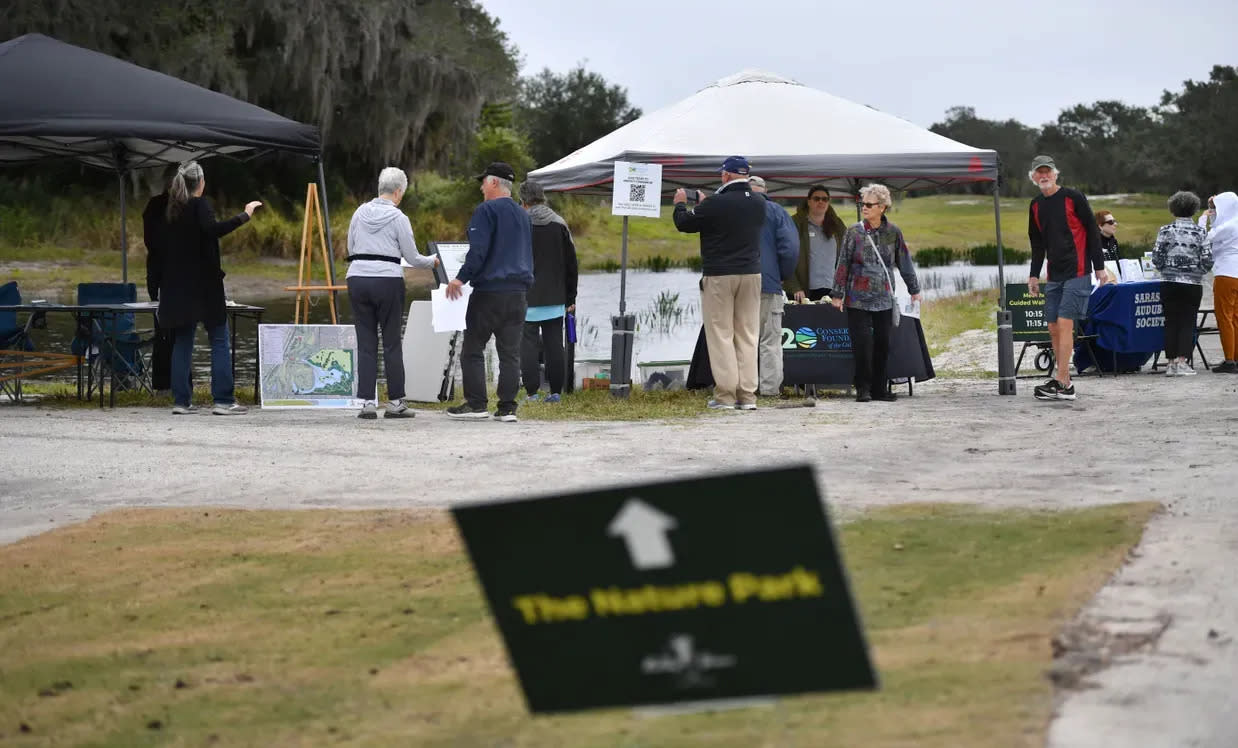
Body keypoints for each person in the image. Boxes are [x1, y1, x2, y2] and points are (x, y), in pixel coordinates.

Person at [158, 160, 261, 415]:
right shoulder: (199, 205)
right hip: (204, 284)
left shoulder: (172, 209)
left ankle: (181, 401)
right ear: (201, 183)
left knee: (183, 341)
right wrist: (244, 215)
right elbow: (213, 230)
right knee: (218, 338)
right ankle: (223, 400)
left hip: (176, 285)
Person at [672, 156, 766, 410]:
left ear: (725, 175)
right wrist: (707, 206)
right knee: (747, 334)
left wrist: (681, 204)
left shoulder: (716, 202)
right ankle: (747, 395)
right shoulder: (759, 202)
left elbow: (685, 224)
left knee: (721, 333)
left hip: (720, 274)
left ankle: (725, 395)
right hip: (751, 273)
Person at [346, 167, 439, 419]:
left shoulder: (359, 212)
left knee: (366, 343)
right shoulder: (399, 218)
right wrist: (433, 261)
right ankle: (396, 402)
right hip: (387, 280)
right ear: (398, 192)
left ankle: (366, 402)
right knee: (391, 343)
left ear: (380, 188)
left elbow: (350, 246)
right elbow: (411, 257)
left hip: (357, 277)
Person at [444, 162, 533, 422]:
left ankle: (476, 404)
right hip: (518, 293)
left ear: (494, 182)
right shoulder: (523, 214)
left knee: (472, 349)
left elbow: (478, 250)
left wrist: (460, 279)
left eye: (483, 181)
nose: (481, 187)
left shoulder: (485, 210)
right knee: (510, 353)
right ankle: (507, 408)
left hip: (490, 292)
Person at [828, 183, 921, 402]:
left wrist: (914, 289)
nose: (864, 208)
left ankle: (880, 388)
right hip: (856, 298)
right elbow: (843, 264)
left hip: (884, 298)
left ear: (882, 207)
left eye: (869, 204)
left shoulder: (893, 232)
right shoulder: (854, 232)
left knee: (883, 344)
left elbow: (904, 262)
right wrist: (837, 293)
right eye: (862, 204)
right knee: (862, 345)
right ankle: (863, 388)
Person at [1025, 155, 1105, 402]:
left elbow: (1092, 231)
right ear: (1033, 177)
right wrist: (1033, 274)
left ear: (1056, 174)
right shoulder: (1036, 205)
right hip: (1054, 274)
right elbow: (1037, 244)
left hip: (1078, 270)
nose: (1044, 175)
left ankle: (1061, 381)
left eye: (1047, 171)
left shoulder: (1073, 198)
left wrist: (1099, 267)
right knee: (1052, 327)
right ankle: (1065, 383)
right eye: (1039, 172)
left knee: (1064, 323)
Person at [517, 180, 578, 403]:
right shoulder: (559, 223)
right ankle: (555, 393)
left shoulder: (520, 223)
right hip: (555, 297)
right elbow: (572, 263)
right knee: (554, 345)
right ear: (542, 197)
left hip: (527, 297)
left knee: (528, 345)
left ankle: (532, 393)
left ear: (522, 201)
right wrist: (570, 297)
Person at [1152, 191, 1213, 377]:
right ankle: (1182, 362)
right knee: (1187, 322)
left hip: (1169, 282)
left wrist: (1165, 268)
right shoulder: (1201, 232)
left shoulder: (1165, 230)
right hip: (1192, 283)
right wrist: (1198, 272)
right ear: (1194, 209)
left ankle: (1170, 363)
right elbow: (1208, 260)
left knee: (1170, 321)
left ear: (1173, 209)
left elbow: (1156, 257)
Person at [748, 176, 799, 396]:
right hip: (768, 282)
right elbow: (790, 248)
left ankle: (742, 389)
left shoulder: (732, 209)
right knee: (770, 339)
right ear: (765, 190)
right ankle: (769, 389)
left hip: (736, 282)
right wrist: (782, 275)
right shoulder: (777, 211)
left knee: (740, 338)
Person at [142, 169, 175, 392]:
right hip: (167, 273)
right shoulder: (164, 207)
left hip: (158, 272)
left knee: (164, 329)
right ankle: (169, 382)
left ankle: (164, 383)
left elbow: (150, 241)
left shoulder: (154, 205)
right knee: (172, 330)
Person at [786, 185, 846, 303]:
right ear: (808, 201)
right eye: (816, 198)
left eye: (824, 199)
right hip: (803, 292)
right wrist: (794, 287)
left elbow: (847, 256)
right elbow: (786, 257)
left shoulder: (837, 224)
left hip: (831, 289)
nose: (821, 202)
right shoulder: (795, 223)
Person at [1206, 191, 1238, 373]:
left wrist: (1203, 221)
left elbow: (1205, 238)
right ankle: (1235, 356)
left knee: (1224, 317)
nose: (1213, 212)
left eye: (1215, 208)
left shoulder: (1228, 226)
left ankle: (1229, 359)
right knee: (1235, 317)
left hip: (1226, 273)